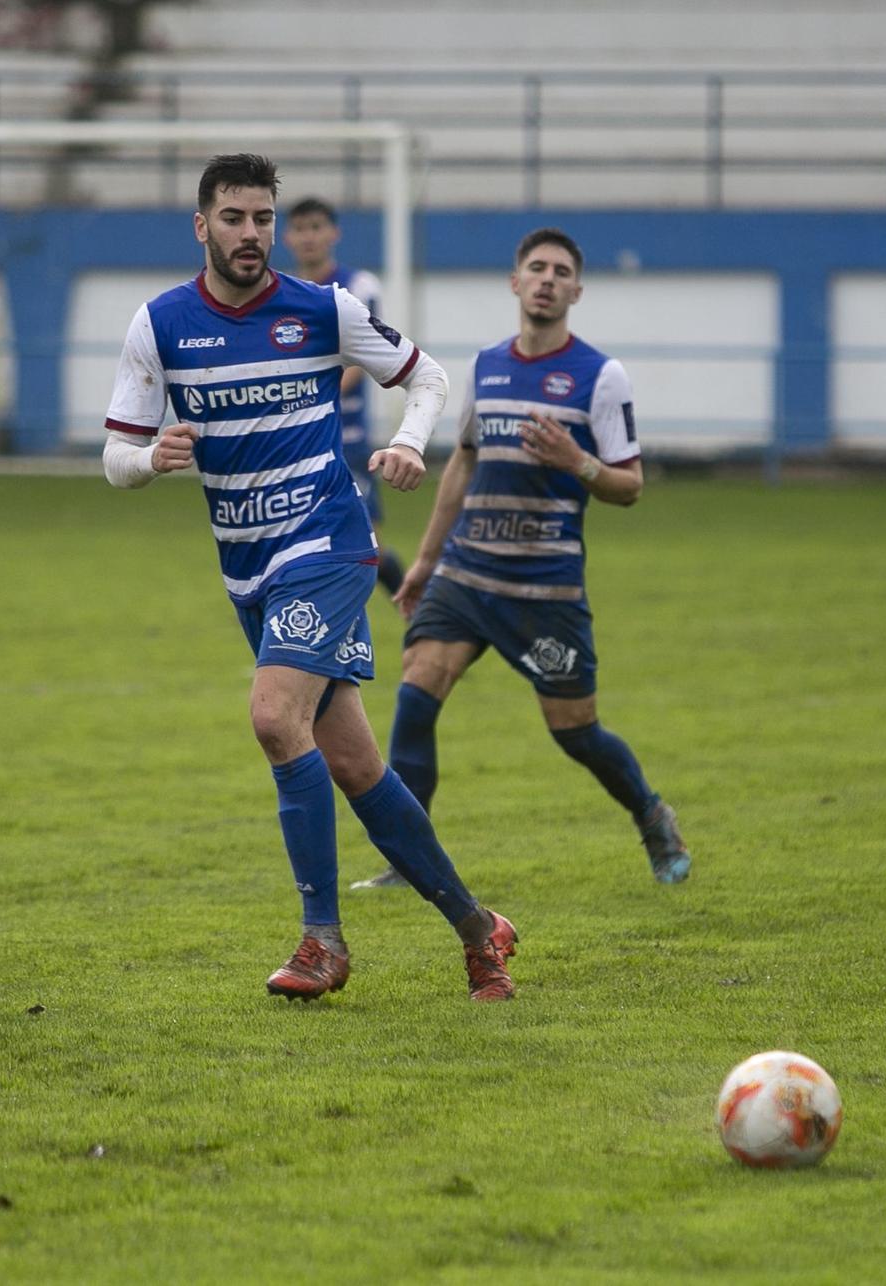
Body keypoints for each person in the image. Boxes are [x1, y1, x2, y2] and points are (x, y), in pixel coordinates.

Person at [102, 154, 518, 1002]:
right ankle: (481, 931)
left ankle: (322, 941)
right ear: (202, 226)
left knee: (271, 716)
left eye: (262, 218)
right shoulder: (160, 325)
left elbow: (429, 378)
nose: (251, 234)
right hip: (248, 567)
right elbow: (114, 456)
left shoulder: (322, 310)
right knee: (356, 766)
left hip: (328, 545)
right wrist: (151, 457)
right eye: (234, 218)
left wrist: (407, 443)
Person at [352, 227, 691, 892]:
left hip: (544, 588)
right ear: (515, 282)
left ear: (576, 291)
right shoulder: (488, 366)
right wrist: (424, 561)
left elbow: (630, 486)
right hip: (468, 573)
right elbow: (464, 465)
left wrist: (578, 461)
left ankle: (651, 814)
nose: (546, 279)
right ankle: (409, 861)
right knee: (417, 696)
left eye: (560, 272)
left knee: (576, 732)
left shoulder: (600, 376)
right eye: (536, 268)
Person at [283, 196, 403, 596]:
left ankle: (414, 602)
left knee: (367, 545)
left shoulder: (357, 286)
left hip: (346, 438)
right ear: (287, 237)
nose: (309, 237)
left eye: (317, 227)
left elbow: (362, 361)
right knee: (300, 539)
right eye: (300, 228)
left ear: (334, 233)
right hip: (297, 440)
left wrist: (304, 395)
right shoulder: (282, 293)